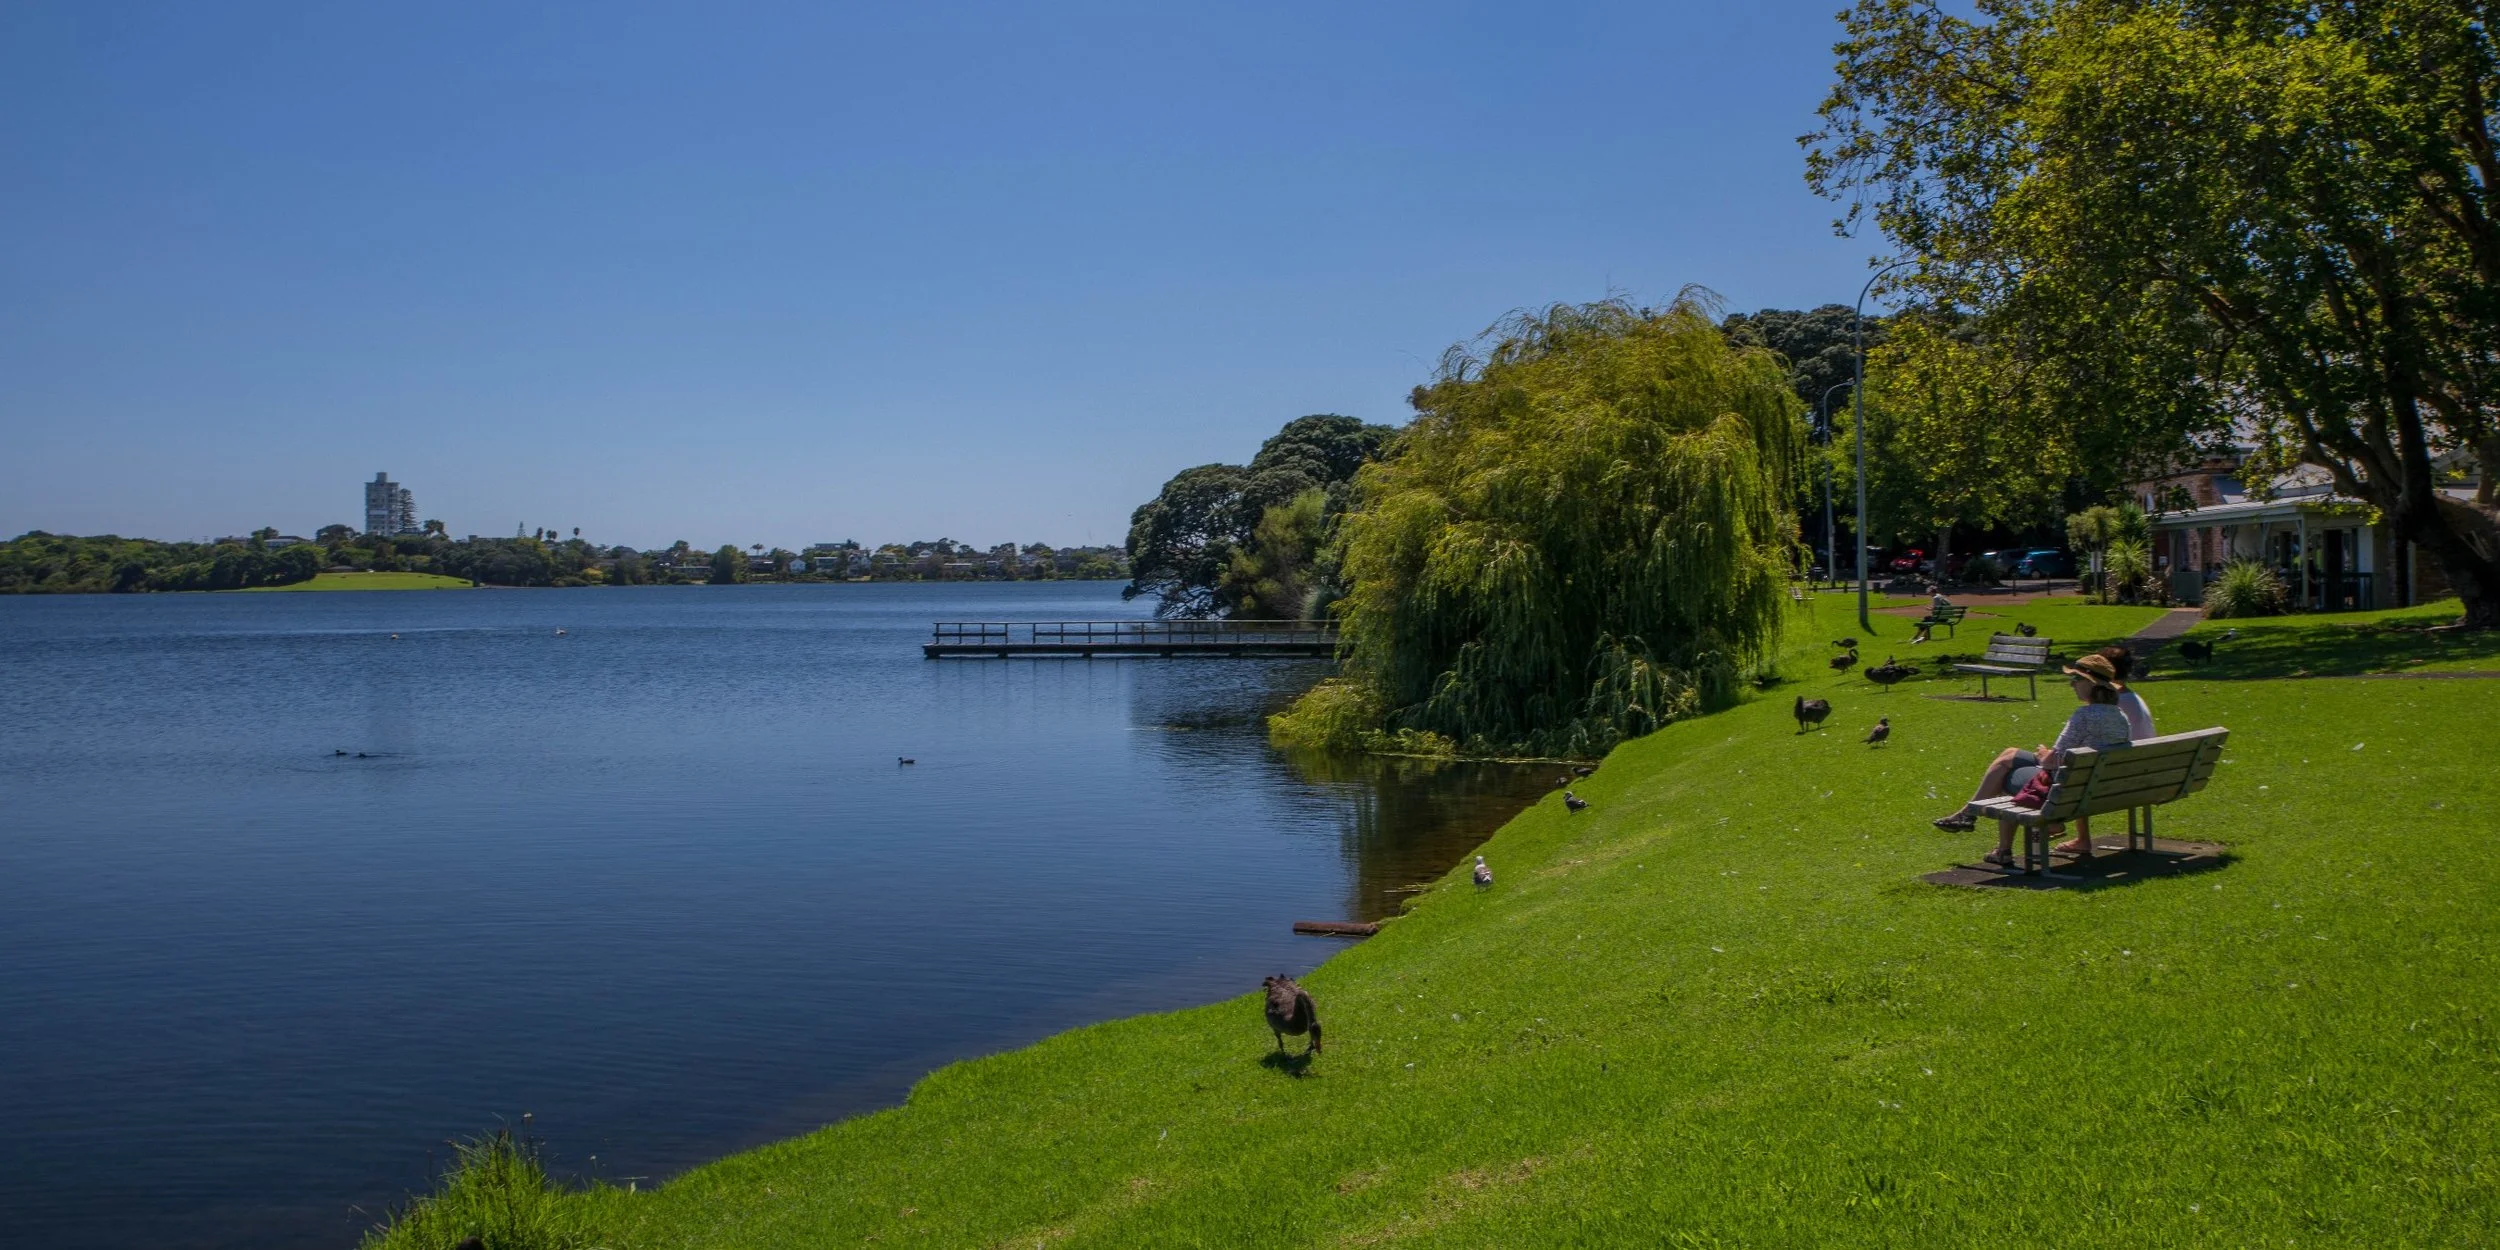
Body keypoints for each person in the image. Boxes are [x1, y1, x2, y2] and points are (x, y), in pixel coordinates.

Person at [1932, 653, 2135, 869]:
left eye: (2076, 679)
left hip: (2066, 789)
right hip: (2094, 786)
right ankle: (1969, 817)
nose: (2071, 684)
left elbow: (2050, 761)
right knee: (2010, 754)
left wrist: (2042, 754)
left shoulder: (2083, 715)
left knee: (2005, 773)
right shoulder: (2119, 715)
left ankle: (1988, 835)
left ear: (2091, 684)